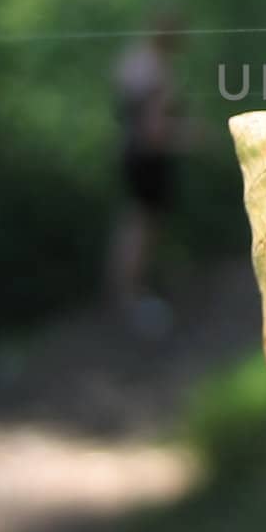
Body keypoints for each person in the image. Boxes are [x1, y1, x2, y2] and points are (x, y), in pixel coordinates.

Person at [105, 18, 181, 336]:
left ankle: (126, 292)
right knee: (143, 226)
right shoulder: (158, 71)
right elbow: (154, 131)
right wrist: (188, 137)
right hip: (149, 159)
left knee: (134, 221)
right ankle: (131, 296)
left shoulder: (130, 63)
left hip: (130, 155)